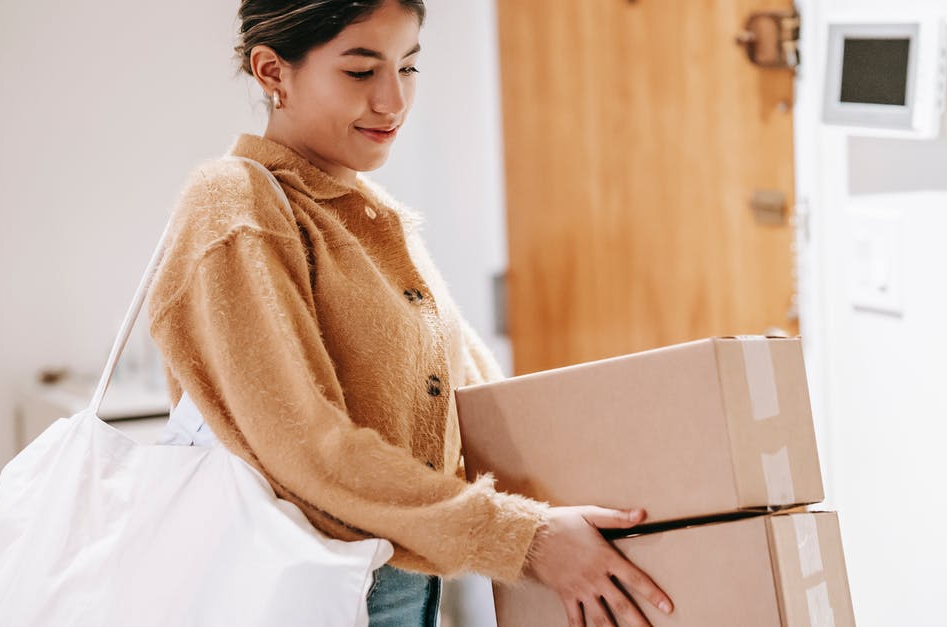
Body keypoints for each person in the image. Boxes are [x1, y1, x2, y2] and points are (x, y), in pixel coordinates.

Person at [147, 1, 675, 625]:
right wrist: (525, 538)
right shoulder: (234, 204)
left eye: (410, 67)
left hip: (400, 586)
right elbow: (307, 449)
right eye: (360, 72)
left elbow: (476, 395)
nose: (393, 101)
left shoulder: (369, 213)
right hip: (308, 593)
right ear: (273, 72)